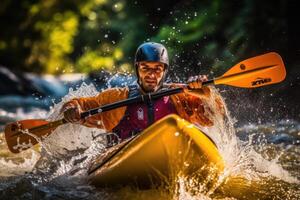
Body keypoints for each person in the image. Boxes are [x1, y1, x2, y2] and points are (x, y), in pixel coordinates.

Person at [61, 42, 224, 144]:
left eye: (157, 69)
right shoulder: (116, 97)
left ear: (165, 71)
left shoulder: (182, 95)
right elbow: (79, 104)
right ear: (137, 69)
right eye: (145, 68)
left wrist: (206, 94)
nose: (151, 75)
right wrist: (71, 110)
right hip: (126, 158)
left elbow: (214, 117)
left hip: (172, 152)